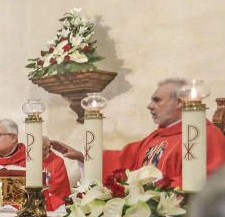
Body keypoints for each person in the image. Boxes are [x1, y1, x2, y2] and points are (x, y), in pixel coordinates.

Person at [51, 78, 225, 188]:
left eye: (157, 100)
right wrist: (83, 156)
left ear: (179, 102)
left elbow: (210, 180)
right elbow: (122, 161)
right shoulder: (155, 138)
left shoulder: (206, 136)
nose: (149, 106)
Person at [41, 137, 73, 211]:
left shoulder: (58, 162)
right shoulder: (31, 161)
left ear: (48, 148)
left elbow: (58, 187)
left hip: (55, 203)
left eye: (41, 149)